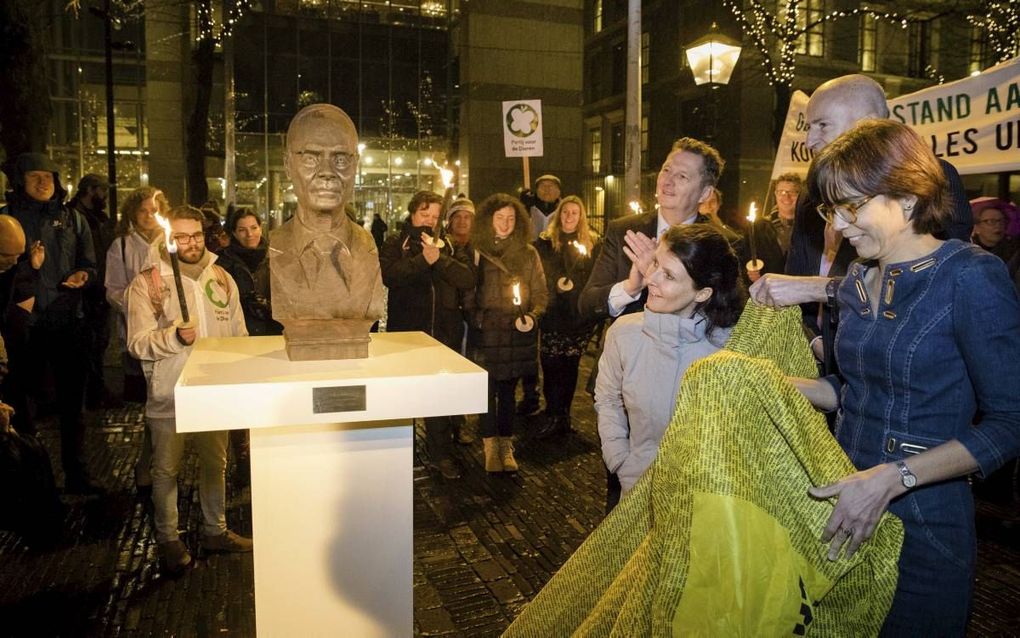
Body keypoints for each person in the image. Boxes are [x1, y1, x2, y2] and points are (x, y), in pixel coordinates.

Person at [751, 119, 1020, 634]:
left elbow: (1009, 422)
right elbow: (851, 392)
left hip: (923, 522)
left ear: (909, 198)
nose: (839, 224)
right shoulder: (856, 280)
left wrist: (895, 477)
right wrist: (768, 381)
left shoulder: (969, 275)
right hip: (842, 510)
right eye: (832, 208)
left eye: (851, 205)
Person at [126, 205, 253, 575]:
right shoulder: (148, 283)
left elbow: (239, 336)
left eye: (196, 234)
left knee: (216, 463)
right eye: (181, 236)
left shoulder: (222, 278)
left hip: (214, 392)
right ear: (168, 239)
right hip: (171, 394)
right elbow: (137, 343)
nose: (191, 242)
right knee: (166, 470)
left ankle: (215, 530)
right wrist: (173, 338)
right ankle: (168, 538)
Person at [596, 224, 744, 498]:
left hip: (704, 505)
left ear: (702, 293)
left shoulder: (731, 349)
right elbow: (607, 399)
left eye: (669, 276)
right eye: (655, 265)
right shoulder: (624, 333)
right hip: (635, 491)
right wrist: (620, 460)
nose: (651, 279)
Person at [1, 153, 99, 494]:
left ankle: (78, 475)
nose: (43, 182)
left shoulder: (73, 218)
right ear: (20, 181)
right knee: (25, 410)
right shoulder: (6, 219)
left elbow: (89, 263)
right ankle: (35, 482)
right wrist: (28, 267)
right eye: (34, 177)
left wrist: (83, 276)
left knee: (74, 409)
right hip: (25, 328)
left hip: (69, 321)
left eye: (48, 176)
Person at [579, 137, 743, 323]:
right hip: (629, 348)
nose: (668, 181)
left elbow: (730, 315)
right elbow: (587, 305)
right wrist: (631, 288)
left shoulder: (724, 243)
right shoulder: (625, 231)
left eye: (682, 176)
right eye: (666, 170)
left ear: (705, 193)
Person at [267, 104, 384, 359]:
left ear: (356, 166)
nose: (327, 173)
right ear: (288, 165)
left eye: (341, 159)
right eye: (310, 158)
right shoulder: (277, 245)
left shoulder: (368, 248)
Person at [380, 190, 475, 478]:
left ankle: (440, 453)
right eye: (424, 214)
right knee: (403, 396)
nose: (429, 221)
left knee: (437, 397)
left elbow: (467, 278)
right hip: (406, 335)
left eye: (435, 216)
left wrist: (439, 259)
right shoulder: (397, 242)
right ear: (412, 213)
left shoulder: (446, 244)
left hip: (442, 335)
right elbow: (390, 275)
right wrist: (422, 260)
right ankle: (402, 453)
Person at [465, 193, 547, 473]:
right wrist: (478, 319)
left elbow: (540, 292)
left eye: (511, 218)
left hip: (515, 334)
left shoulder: (528, 252)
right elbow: (468, 292)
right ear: (489, 219)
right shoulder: (477, 250)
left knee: (508, 393)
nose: (505, 223)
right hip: (487, 334)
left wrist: (533, 317)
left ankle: (506, 446)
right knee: (486, 393)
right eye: (500, 217)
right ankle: (490, 447)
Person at [533, 196, 600, 438]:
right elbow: (539, 274)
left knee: (569, 368)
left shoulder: (592, 244)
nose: (570, 217)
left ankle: (564, 414)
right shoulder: (546, 243)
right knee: (550, 365)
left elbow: (595, 278)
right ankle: (552, 411)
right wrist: (555, 286)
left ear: (581, 216)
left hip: (575, 317)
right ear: (559, 216)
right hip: (553, 314)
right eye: (565, 212)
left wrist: (576, 287)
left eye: (575, 212)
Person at [106, 187, 168, 406]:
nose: (149, 215)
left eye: (154, 210)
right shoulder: (122, 245)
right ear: (132, 212)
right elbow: (114, 288)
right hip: (135, 327)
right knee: (140, 392)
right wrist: (137, 307)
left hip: (168, 326)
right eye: (143, 211)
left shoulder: (169, 241)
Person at [69, 174, 115, 408]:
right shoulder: (73, 216)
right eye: (102, 190)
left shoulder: (99, 218)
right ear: (90, 190)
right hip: (84, 291)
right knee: (86, 345)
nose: (105, 196)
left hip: (100, 289)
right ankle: (90, 393)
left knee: (99, 343)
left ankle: (96, 391)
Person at [218, 207, 281, 337]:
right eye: (242, 230)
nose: (249, 234)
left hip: (273, 331)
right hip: (239, 332)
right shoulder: (222, 262)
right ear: (234, 233)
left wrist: (269, 306)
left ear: (261, 228)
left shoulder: (277, 257)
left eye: (254, 228)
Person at [520, 174, 562, 241]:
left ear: (558, 190)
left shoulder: (563, 209)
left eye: (551, 186)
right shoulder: (530, 208)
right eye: (543, 186)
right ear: (537, 190)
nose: (546, 189)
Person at [768, 172, 801, 257]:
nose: (786, 197)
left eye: (792, 192)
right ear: (775, 194)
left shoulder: (810, 227)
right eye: (781, 192)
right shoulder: (760, 228)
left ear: (800, 195)